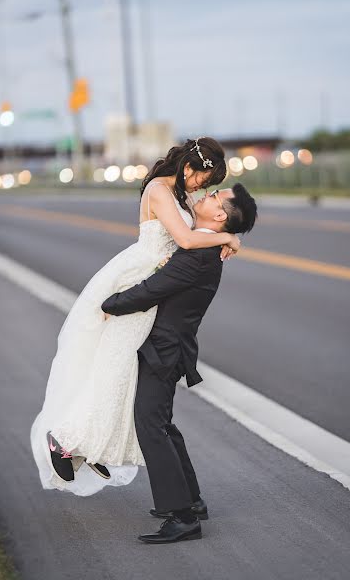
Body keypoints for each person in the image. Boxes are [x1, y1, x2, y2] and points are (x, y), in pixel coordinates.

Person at [30, 137, 241, 497]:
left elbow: (195, 233)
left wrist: (221, 235)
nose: (201, 188)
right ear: (190, 167)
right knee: (114, 367)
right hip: (137, 279)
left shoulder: (179, 193)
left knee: (124, 373)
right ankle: (65, 441)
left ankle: (92, 444)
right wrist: (231, 239)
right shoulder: (161, 189)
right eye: (203, 180)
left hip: (152, 283)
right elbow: (188, 240)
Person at [101, 183, 258, 543]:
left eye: (216, 197)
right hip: (170, 348)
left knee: (150, 425)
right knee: (162, 423)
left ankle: (183, 517)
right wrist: (231, 239)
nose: (208, 194)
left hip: (165, 350)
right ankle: (192, 501)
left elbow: (152, 290)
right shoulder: (206, 244)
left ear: (219, 216)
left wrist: (108, 304)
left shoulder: (200, 253)